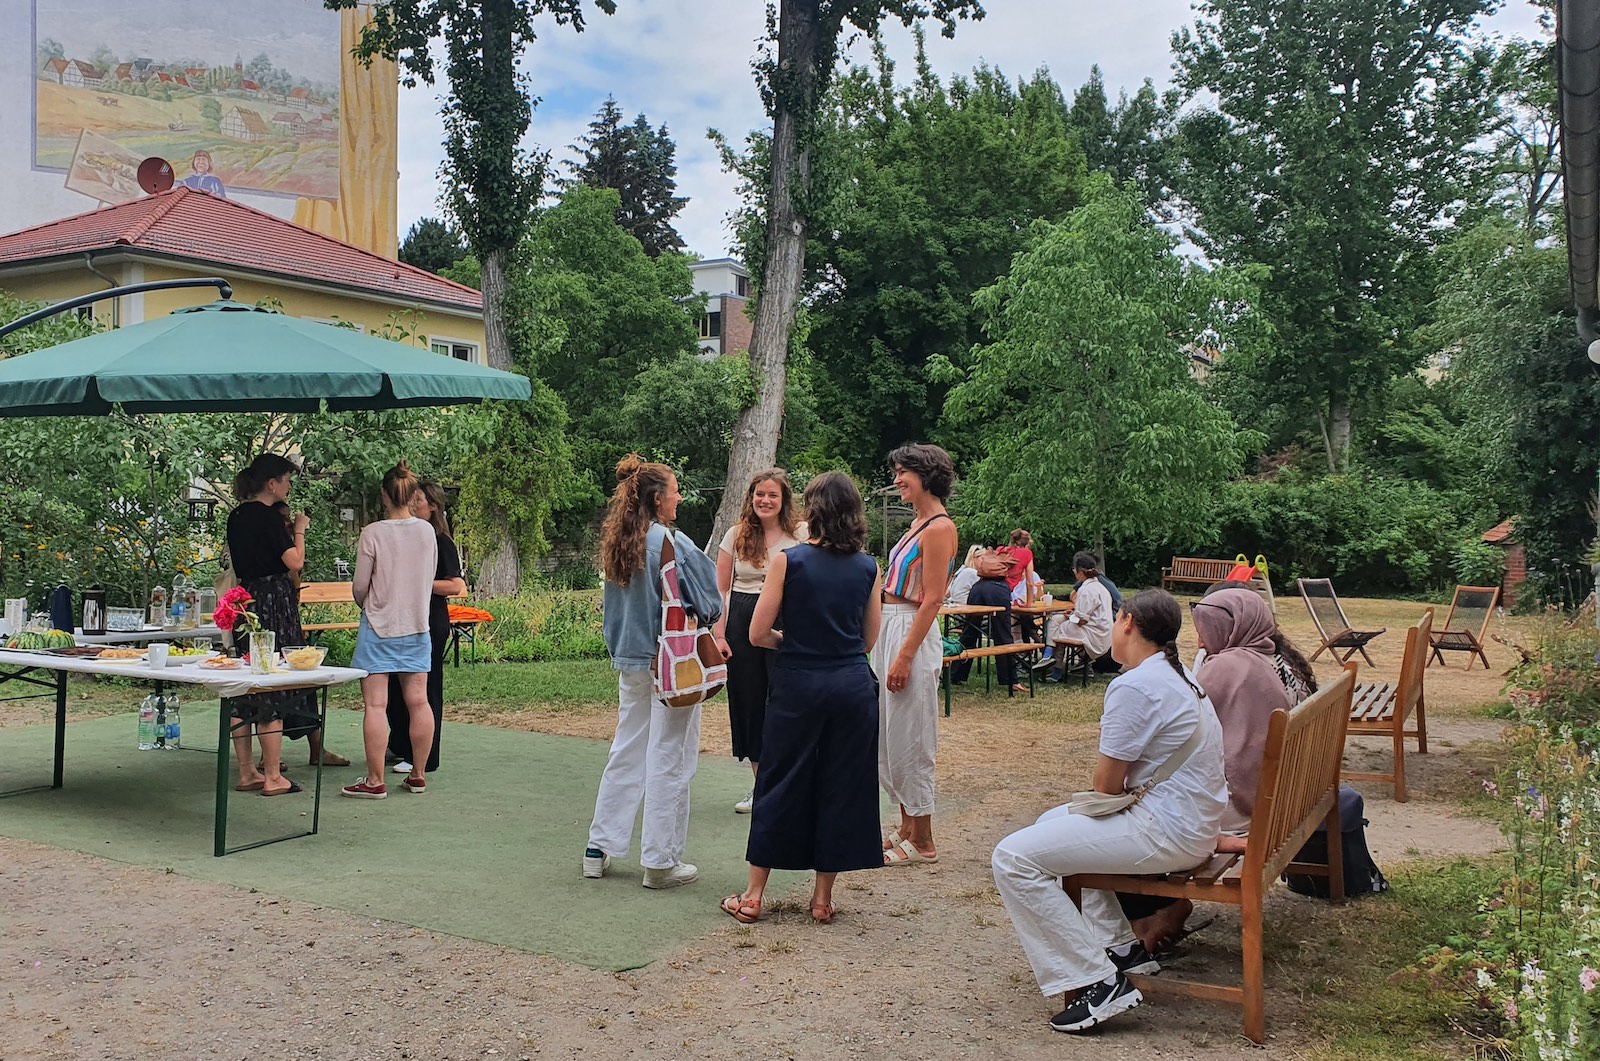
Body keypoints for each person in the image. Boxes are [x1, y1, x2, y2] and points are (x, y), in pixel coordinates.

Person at [991, 589, 1228, 1033]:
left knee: (1013, 858)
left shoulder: (1135, 684)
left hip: (1168, 830)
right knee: (1050, 827)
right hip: (1190, 822)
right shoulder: (1179, 676)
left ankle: (1098, 980)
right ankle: (1120, 948)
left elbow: (1105, 787)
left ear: (1127, 623)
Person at [720, 472, 884, 925]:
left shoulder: (788, 561)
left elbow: (756, 632)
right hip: (851, 686)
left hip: (799, 684)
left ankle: (753, 897)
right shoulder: (869, 568)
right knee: (840, 783)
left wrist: (789, 643)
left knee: (779, 780)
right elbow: (868, 640)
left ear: (814, 511)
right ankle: (822, 900)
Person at [1120, 585, 1318, 952]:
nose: (1198, 639)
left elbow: (1179, 711)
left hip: (1244, 806)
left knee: (1125, 813)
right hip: (1282, 795)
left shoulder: (1228, 666)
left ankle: (1155, 913)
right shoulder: (1269, 656)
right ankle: (1155, 912)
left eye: (1204, 628)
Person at [585, 455, 721, 889]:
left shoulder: (618, 541)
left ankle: (599, 847)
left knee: (626, 748)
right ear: (658, 497)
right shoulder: (672, 542)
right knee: (671, 755)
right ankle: (660, 861)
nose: (680, 496)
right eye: (675, 489)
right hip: (672, 660)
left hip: (630, 658)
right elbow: (711, 600)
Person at [223, 453, 343, 797]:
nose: (289, 486)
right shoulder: (268, 518)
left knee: (246, 683)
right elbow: (296, 561)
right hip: (274, 598)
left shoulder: (237, 516)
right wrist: (300, 531)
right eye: (287, 480)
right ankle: (274, 775)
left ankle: (247, 771)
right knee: (272, 680)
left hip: (245, 598)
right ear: (272, 483)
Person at [875, 443, 958, 866]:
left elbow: (933, 598)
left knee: (913, 735)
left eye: (903, 472)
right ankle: (906, 825)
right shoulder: (918, 523)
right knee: (890, 734)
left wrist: (905, 656)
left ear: (925, 475)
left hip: (912, 629)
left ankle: (923, 838)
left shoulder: (940, 527)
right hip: (892, 625)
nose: (897, 479)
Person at [339, 461, 438, 800]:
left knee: (376, 706)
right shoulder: (426, 531)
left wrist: (367, 603)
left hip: (378, 626)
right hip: (416, 625)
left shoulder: (373, 533)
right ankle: (418, 774)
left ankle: (374, 779)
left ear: (384, 495)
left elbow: (359, 586)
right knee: (418, 701)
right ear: (413, 495)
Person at [712, 469, 803, 814]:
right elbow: (721, 590)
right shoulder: (735, 536)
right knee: (751, 704)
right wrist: (718, 634)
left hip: (787, 620)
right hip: (742, 625)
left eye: (772, 495)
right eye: (759, 494)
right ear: (751, 498)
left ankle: (790, 787)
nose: (765, 500)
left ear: (784, 501)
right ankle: (762, 788)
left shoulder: (802, 534)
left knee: (786, 701)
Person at [386, 482, 465, 777]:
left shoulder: (439, 539)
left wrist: (419, 584)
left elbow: (455, 585)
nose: (412, 503)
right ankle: (400, 743)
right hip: (400, 619)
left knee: (424, 688)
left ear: (432, 506)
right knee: (394, 685)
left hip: (430, 619)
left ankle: (426, 756)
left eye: (417, 499)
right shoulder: (404, 536)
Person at [949, 544, 1027, 694]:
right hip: (998, 589)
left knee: (969, 631)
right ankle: (1011, 680)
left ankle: (955, 674)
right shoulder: (1023, 554)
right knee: (1003, 633)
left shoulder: (992, 558)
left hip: (979, 587)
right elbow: (1028, 580)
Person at [1038, 552, 1116, 682]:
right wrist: (1072, 615)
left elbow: (1081, 621)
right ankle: (1050, 658)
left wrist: (1071, 617)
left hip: (1093, 634)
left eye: (1074, 569)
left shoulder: (1086, 590)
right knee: (1057, 620)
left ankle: (1051, 661)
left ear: (1080, 571)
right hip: (1102, 630)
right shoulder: (1100, 587)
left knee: (1057, 627)